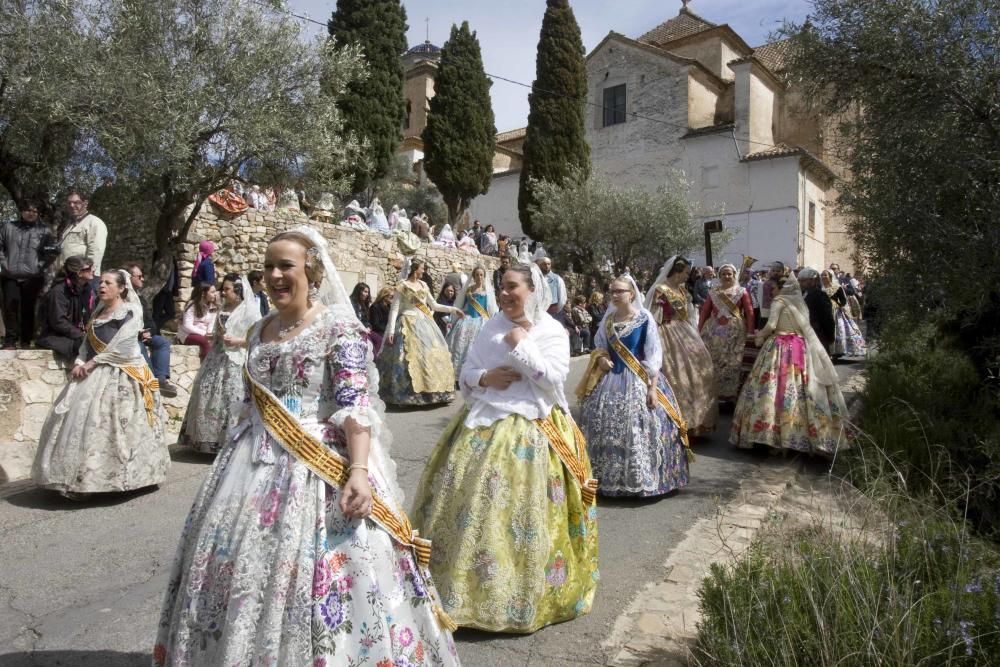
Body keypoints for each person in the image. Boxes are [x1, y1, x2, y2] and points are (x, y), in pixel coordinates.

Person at [155, 227, 460, 666]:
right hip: (247, 466)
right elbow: (249, 403)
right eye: (268, 267)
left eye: (286, 266)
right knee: (237, 570)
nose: (275, 275)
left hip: (317, 470)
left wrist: (357, 471)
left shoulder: (339, 328)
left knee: (322, 579)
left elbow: (356, 406)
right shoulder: (259, 330)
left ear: (312, 271)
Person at [411, 262, 599, 633]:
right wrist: (486, 377)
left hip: (535, 427)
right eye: (502, 288)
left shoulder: (552, 330)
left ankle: (519, 595)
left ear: (533, 291)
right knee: (472, 508)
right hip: (482, 422)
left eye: (513, 287)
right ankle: (460, 592)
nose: (505, 294)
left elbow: (553, 380)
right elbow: (466, 373)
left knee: (523, 517)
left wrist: (521, 345)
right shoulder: (490, 327)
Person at [32, 269, 168, 498]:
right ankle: (77, 477)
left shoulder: (131, 312)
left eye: (108, 283)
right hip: (93, 372)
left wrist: (92, 363)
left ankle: (124, 477)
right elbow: (86, 343)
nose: (101, 286)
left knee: (115, 426)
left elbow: (122, 346)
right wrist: (79, 360)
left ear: (122, 288)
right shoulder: (98, 313)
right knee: (79, 424)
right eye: (101, 282)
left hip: (122, 374)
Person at [578, 275, 691, 497]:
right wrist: (601, 359)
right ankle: (608, 480)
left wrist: (652, 388)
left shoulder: (644, 318)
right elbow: (599, 345)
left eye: (620, 291)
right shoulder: (608, 320)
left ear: (632, 293)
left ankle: (643, 480)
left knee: (639, 426)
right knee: (603, 425)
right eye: (613, 291)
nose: (615, 295)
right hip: (610, 380)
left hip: (639, 380)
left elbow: (653, 354)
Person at [730, 278, 849, 456]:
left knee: (773, 388)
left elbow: (771, 325)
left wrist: (759, 336)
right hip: (800, 347)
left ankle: (772, 437)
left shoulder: (779, 301)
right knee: (801, 389)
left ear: (781, 288)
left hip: (780, 347)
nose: (771, 292)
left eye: (774, 288)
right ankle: (801, 435)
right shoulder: (800, 302)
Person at [179, 273, 260, 454]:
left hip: (236, 361)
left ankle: (228, 442)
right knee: (206, 393)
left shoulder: (251, 312)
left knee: (231, 397)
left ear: (238, 291)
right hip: (217, 357)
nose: (222, 293)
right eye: (222, 289)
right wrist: (214, 337)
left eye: (227, 289)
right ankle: (204, 441)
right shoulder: (222, 309)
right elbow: (216, 333)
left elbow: (255, 339)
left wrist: (238, 341)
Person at [645, 256, 717, 436]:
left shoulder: (683, 291)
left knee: (699, 370)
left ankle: (696, 422)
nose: (687, 276)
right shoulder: (661, 290)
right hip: (666, 333)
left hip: (685, 331)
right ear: (677, 271)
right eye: (686, 272)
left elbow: (690, 315)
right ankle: (673, 422)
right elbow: (654, 317)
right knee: (674, 374)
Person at [377, 259, 463, 406]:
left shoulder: (424, 285)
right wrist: (391, 331)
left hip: (425, 323)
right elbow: (395, 309)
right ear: (415, 269)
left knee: (430, 356)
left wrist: (453, 309)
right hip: (407, 323)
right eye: (422, 268)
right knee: (406, 358)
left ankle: (434, 393)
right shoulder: (402, 286)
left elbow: (434, 305)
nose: (423, 271)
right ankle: (408, 395)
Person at [1, 199, 54, 348]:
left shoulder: (44, 230)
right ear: (21, 211)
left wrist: (40, 266)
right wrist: (5, 265)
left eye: (34, 211)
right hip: (10, 275)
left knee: (28, 309)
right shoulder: (8, 226)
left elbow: (51, 253)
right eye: (28, 210)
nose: (31, 213)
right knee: (10, 308)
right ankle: (10, 341)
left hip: (33, 277)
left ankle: (25, 341)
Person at [699, 264, 755, 401]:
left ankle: (731, 394)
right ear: (719, 276)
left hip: (735, 333)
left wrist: (750, 332)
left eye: (729, 274)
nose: (726, 276)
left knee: (733, 362)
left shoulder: (742, 291)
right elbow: (705, 312)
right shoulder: (713, 292)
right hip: (714, 332)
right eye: (724, 274)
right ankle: (715, 392)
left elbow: (749, 313)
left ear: (734, 275)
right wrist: (698, 330)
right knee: (715, 361)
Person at [125, 263, 178, 398]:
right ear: (128, 278)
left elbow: (150, 321)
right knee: (139, 346)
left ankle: (160, 379)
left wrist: (149, 332)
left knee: (162, 342)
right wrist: (139, 334)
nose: (143, 279)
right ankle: (151, 379)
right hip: (130, 338)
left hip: (143, 334)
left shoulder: (140, 299)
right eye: (139, 276)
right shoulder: (122, 299)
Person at [36, 256, 96, 362]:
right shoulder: (59, 292)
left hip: (77, 335)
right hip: (56, 336)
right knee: (87, 348)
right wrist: (80, 335)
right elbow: (58, 321)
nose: (93, 270)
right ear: (79, 273)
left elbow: (89, 314)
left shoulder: (87, 289)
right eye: (89, 268)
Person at [447, 266, 498, 374]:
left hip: (482, 320)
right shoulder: (469, 290)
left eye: (481, 275)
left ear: (484, 277)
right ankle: (458, 372)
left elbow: (492, 308)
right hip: (468, 319)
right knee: (460, 343)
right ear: (473, 276)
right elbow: (461, 304)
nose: (479, 277)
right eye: (477, 275)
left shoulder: (487, 291)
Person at [59, 190, 108, 273]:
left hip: (84, 276)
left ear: (85, 203)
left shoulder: (94, 223)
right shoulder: (70, 224)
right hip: (68, 273)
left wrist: (87, 273)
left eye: (76, 202)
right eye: (69, 203)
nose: (71, 205)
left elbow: (96, 252)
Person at [821, 269, 867, 358]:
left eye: (825, 275)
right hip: (824, 312)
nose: (823, 277)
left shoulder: (837, 287)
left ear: (830, 277)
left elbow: (843, 300)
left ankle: (840, 350)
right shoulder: (821, 289)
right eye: (822, 275)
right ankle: (829, 351)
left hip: (836, 312)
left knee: (840, 330)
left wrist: (837, 306)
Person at [797, 267, 836, 353]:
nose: (800, 283)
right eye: (799, 281)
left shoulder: (820, 295)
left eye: (803, 281)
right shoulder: (803, 293)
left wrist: (830, 336)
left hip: (817, 334)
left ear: (813, 280)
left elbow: (826, 317)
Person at [177, 282, 219, 360]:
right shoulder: (192, 305)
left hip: (205, 333)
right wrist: (204, 334)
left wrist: (209, 334)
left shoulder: (213, 307)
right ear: (203, 293)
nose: (215, 294)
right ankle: (207, 367)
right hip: (188, 334)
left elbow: (211, 324)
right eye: (212, 292)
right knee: (204, 341)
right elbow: (187, 326)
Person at [758, 262, 784, 328]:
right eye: (773, 270)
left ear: (783, 272)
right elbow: (777, 296)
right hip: (769, 313)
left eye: (778, 271)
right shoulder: (768, 283)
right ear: (770, 271)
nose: (775, 273)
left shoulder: (784, 283)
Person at [368, 286, 393, 354]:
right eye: (391, 296)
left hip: (386, 331)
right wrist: (386, 331)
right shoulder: (375, 307)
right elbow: (375, 324)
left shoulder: (389, 307)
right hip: (378, 332)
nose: (393, 299)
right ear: (385, 296)